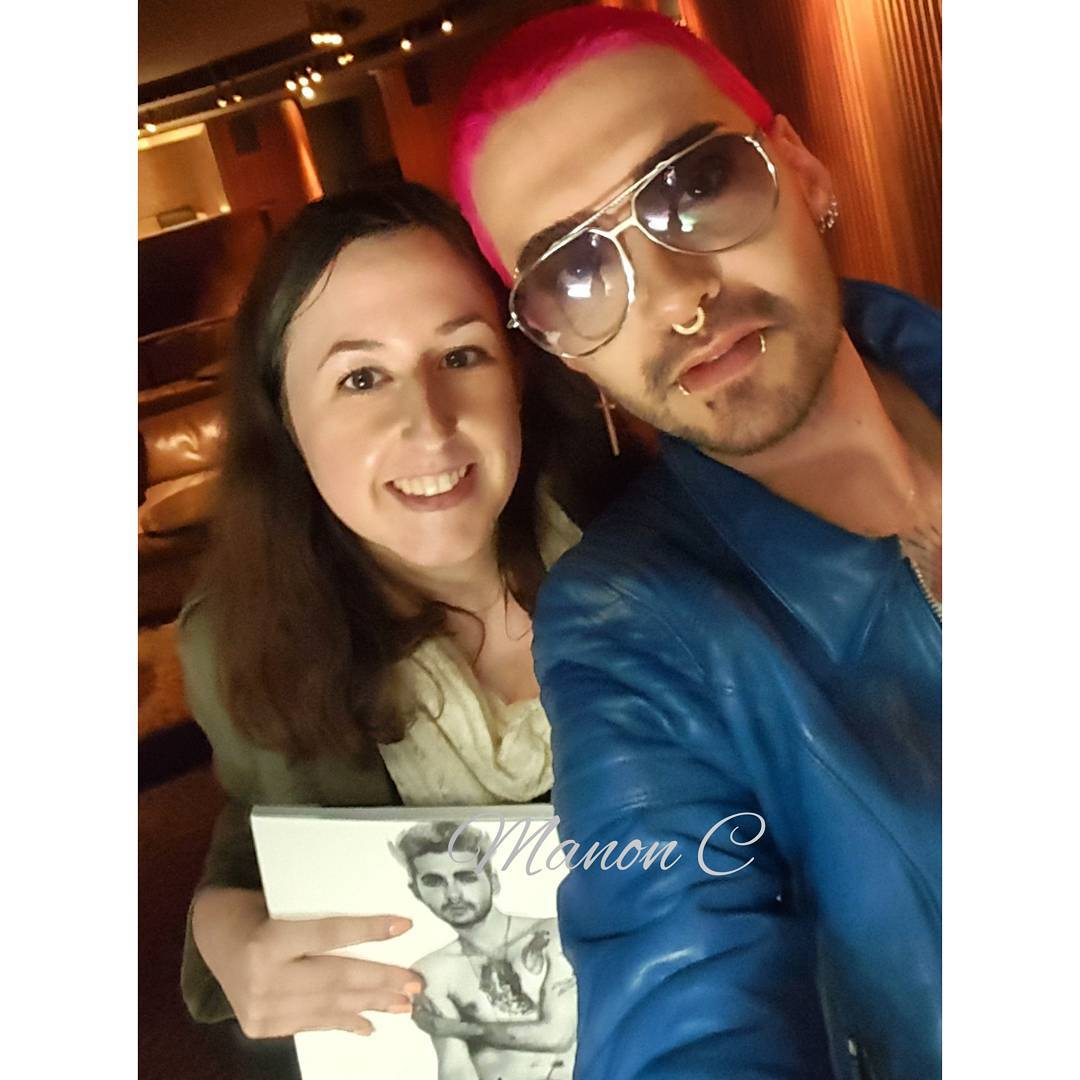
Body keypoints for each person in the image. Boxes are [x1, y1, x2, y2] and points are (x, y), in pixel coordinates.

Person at [450, 8, 940, 1080]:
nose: (676, 299)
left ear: (803, 168)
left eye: (695, 182)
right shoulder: (627, 628)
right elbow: (679, 1002)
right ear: (565, 352)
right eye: (577, 272)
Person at [175, 183, 639, 1077]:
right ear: (286, 421)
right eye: (360, 378)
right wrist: (219, 922)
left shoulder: (653, 547)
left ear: (517, 373)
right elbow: (261, 813)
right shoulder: (244, 646)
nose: (428, 424)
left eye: (461, 354)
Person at [393, 821, 576, 1079]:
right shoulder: (433, 971)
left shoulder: (551, 935)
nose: (453, 894)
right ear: (417, 892)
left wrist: (456, 1029)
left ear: (493, 882)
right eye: (434, 882)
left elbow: (558, 1035)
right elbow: (454, 1067)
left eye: (466, 877)